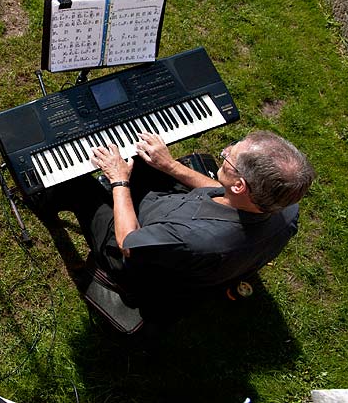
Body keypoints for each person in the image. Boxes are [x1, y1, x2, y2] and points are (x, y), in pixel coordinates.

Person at [63, 130, 315, 310]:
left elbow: (129, 243)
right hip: (180, 233)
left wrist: (118, 181)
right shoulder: (287, 209)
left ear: (239, 185)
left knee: (80, 187)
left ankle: (51, 197)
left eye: (229, 157)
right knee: (143, 162)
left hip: (141, 264)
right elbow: (221, 190)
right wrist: (170, 165)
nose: (225, 151)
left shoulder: (192, 238)